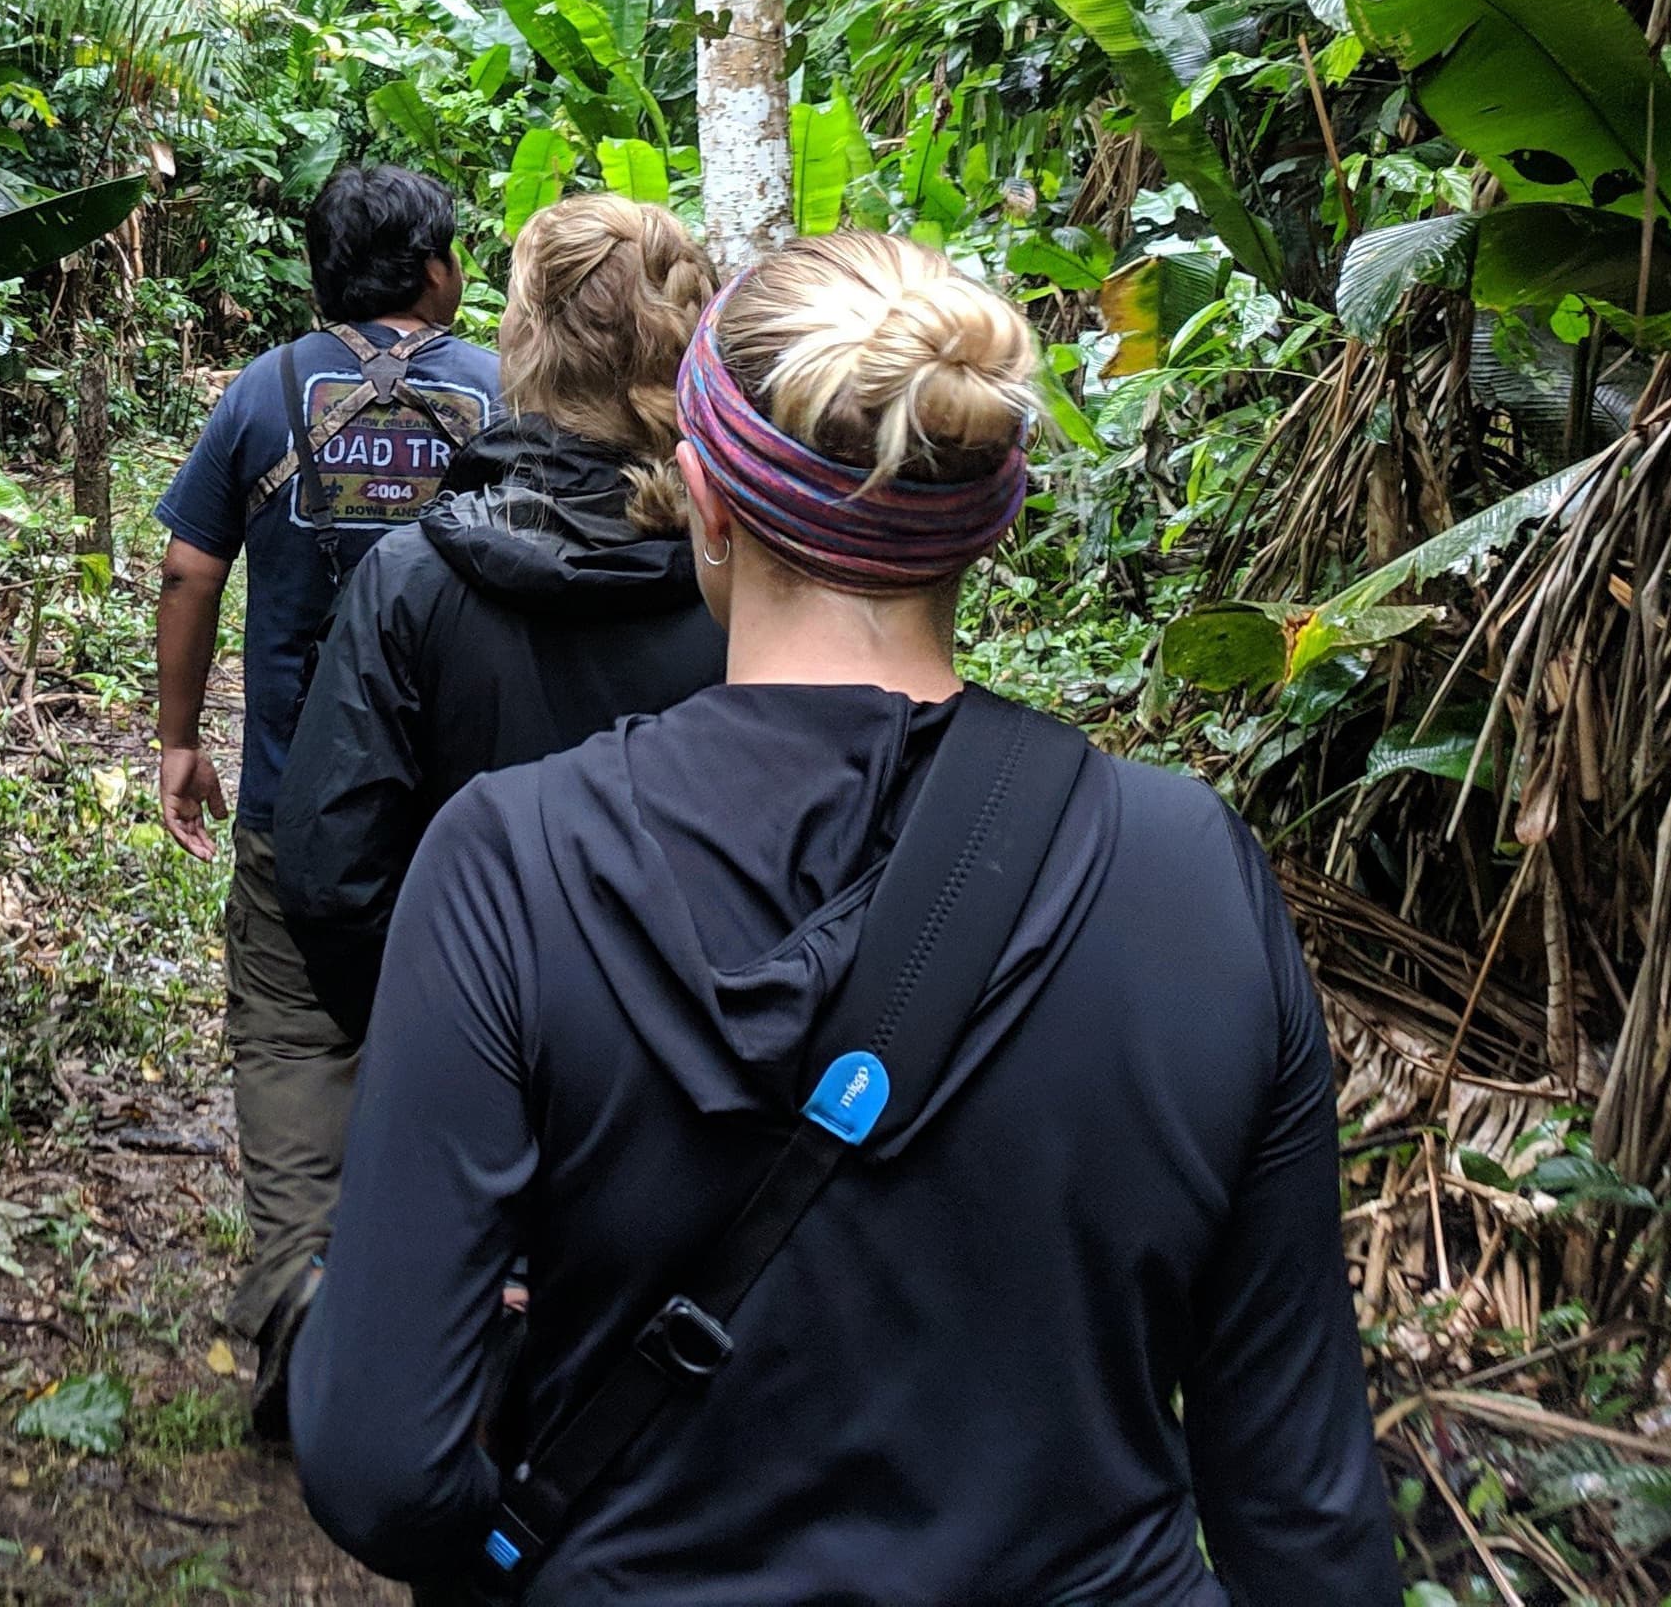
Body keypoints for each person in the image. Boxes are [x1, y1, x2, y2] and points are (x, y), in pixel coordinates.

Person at [293, 231, 1395, 1605]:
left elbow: (380, 1462)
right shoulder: (1192, 871)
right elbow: (1307, 1515)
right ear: (988, 528)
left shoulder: (511, 865)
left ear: (701, 501)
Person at [152, 162, 503, 1441]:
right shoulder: (502, 394)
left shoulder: (271, 389)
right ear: (432, 270)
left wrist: (178, 739)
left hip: (297, 806)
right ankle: (451, 1327)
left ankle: (303, 1290)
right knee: (467, 1047)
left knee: (296, 1040)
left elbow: (193, 569)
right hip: (467, 818)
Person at [273, 193, 725, 1041]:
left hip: (475, 1045)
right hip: (700, 1076)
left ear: (520, 345)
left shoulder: (410, 583)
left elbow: (331, 870)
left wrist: (438, 1041)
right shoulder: (752, 581)